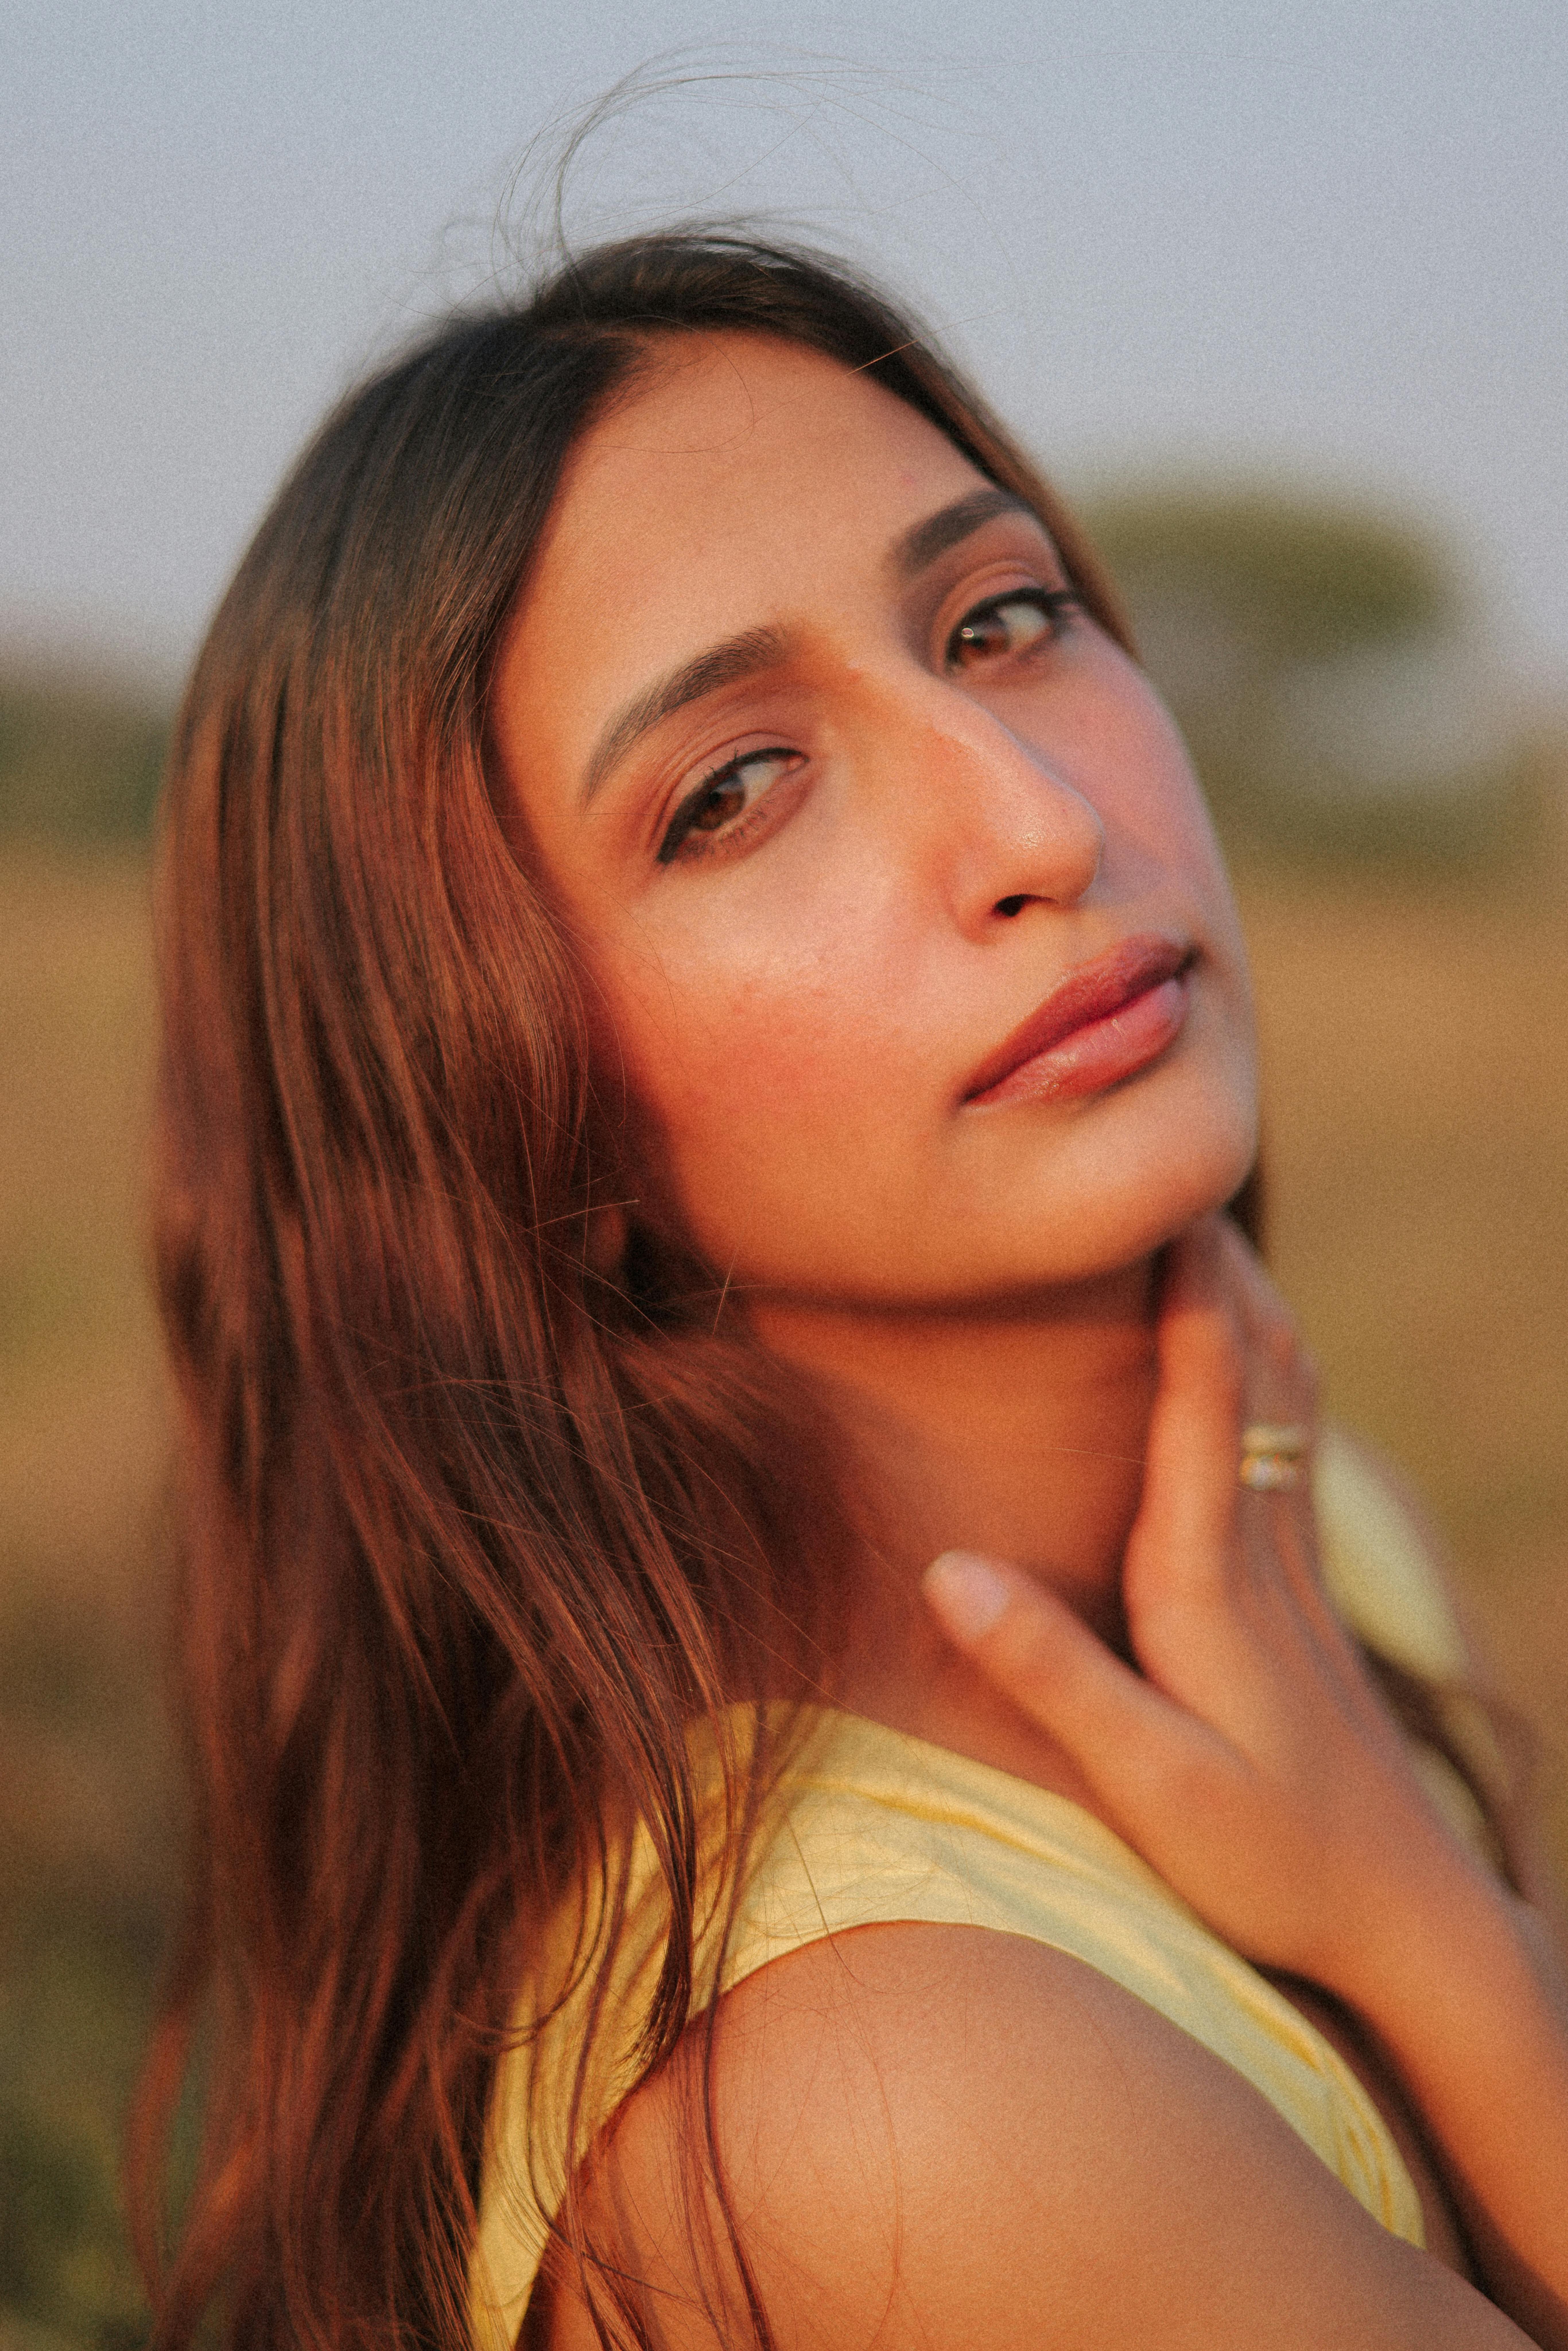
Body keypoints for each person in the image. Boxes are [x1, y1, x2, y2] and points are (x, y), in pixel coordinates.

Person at [133, 230, 1568, 2351]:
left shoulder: (1301, 1542)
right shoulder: (877, 2090)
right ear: (517, 1104)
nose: (1041, 817)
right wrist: (1436, 1942)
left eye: (1001, 621)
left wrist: (1392, 1886)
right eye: (730, 792)